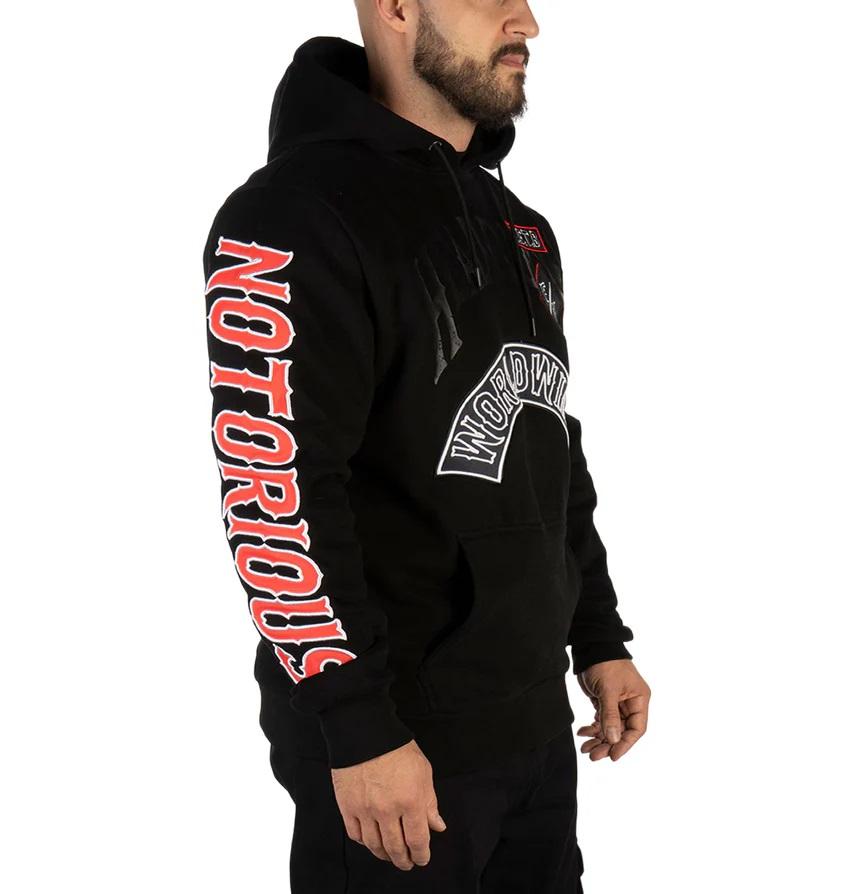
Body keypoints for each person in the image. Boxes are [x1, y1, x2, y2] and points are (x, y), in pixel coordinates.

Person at [201, 2, 651, 891]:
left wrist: (597, 634)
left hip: (529, 726)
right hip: (395, 748)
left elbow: (547, 445)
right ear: (397, 7)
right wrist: (357, 726)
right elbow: (274, 488)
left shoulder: (517, 223)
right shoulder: (289, 215)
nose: (526, 21)